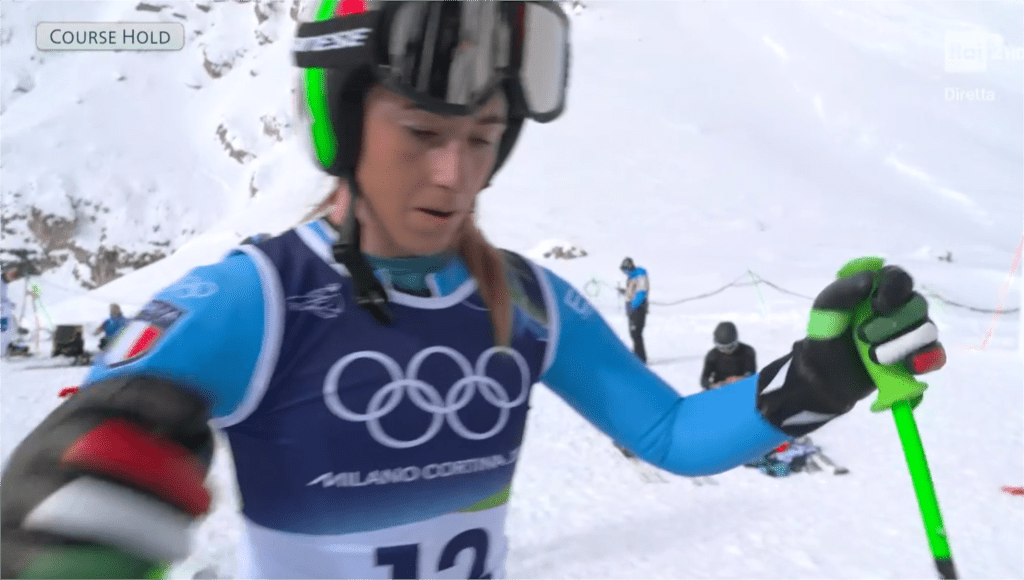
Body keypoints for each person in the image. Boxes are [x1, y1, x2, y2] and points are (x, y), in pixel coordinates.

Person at [0, 2, 948, 579]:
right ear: (340, 123)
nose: (456, 174)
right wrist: (56, 513)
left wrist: (817, 381)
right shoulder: (259, 298)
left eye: (483, 137)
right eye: (421, 132)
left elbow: (669, 434)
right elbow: (72, 458)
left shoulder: (528, 300)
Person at [700, 321, 757, 390]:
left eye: (730, 347)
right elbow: (704, 379)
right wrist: (713, 385)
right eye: (721, 348)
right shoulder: (712, 355)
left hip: (741, 386)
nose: (725, 350)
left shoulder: (747, 351)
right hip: (720, 388)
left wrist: (741, 378)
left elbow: (752, 374)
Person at [617, 257, 650, 363]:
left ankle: (641, 358)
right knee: (633, 333)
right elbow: (632, 292)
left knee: (636, 333)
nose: (624, 272)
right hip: (632, 310)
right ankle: (637, 356)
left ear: (629, 267)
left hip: (638, 309)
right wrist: (624, 292)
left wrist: (633, 305)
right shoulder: (631, 278)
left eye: (625, 270)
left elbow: (641, 292)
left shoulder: (640, 276)